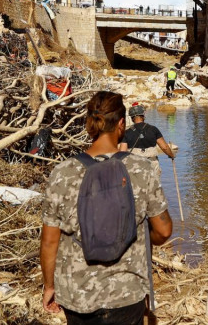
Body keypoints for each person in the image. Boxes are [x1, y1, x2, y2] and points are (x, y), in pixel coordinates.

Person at [41, 91, 173, 323]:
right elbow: (163, 232)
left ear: (89, 124)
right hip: (126, 293)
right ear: (121, 124)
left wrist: (49, 285)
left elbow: (50, 240)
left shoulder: (62, 173)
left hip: (77, 294)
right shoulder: (142, 170)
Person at [118, 102, 176, 176]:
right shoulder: (153, 129)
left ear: (132, 118)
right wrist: (171, 155)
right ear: (143, 115)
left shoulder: (126, 133)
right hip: (152, 165)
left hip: (135, 167)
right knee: (154, 186)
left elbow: (122, 152)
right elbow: (164, 147)